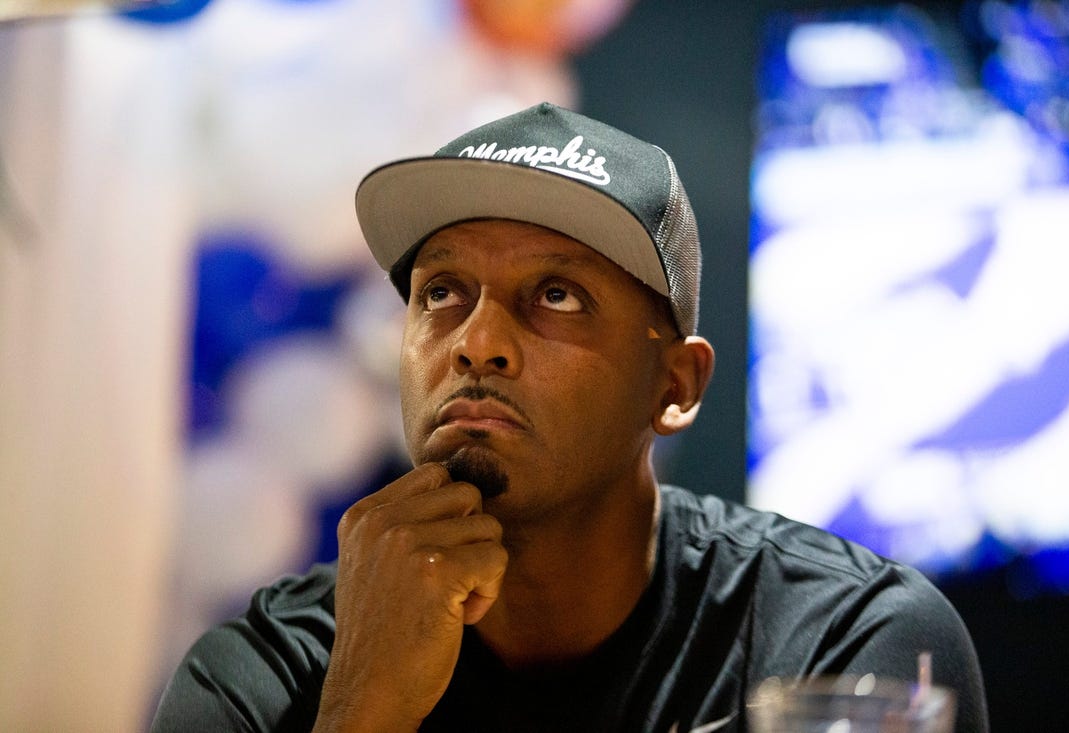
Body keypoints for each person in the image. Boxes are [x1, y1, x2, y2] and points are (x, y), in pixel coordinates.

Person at [151, 102, 989, 732]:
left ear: (677, 382)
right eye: (440, 292)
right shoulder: (268, 672)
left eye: (557, 295)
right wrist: (364, 709)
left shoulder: (839, 644)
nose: (478, 341)